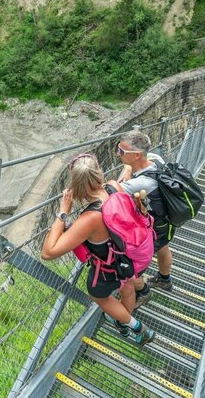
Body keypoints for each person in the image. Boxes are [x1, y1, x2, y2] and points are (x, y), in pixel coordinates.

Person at [41, 153, 155, 345]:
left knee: (98, 296)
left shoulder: (90, 219)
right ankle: (122, 322)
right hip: (127, 260)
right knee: (127, 287)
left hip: (107, 271)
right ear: (99, 173)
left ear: (76, 185)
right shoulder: (114, 186)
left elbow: (48, 252)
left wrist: (63, 213)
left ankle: (138, 328)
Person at [108, 130, 172, 307]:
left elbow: (113, 192)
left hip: (152, 227)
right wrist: (129, 167)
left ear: (136, 155)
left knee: (131, 269)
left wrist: (124, 172)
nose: (117, 154)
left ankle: (143, 292)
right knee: (163, 246)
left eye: (121, 151)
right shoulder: (155, 159)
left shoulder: (141, 183)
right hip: (166, 220)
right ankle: (165, 280)